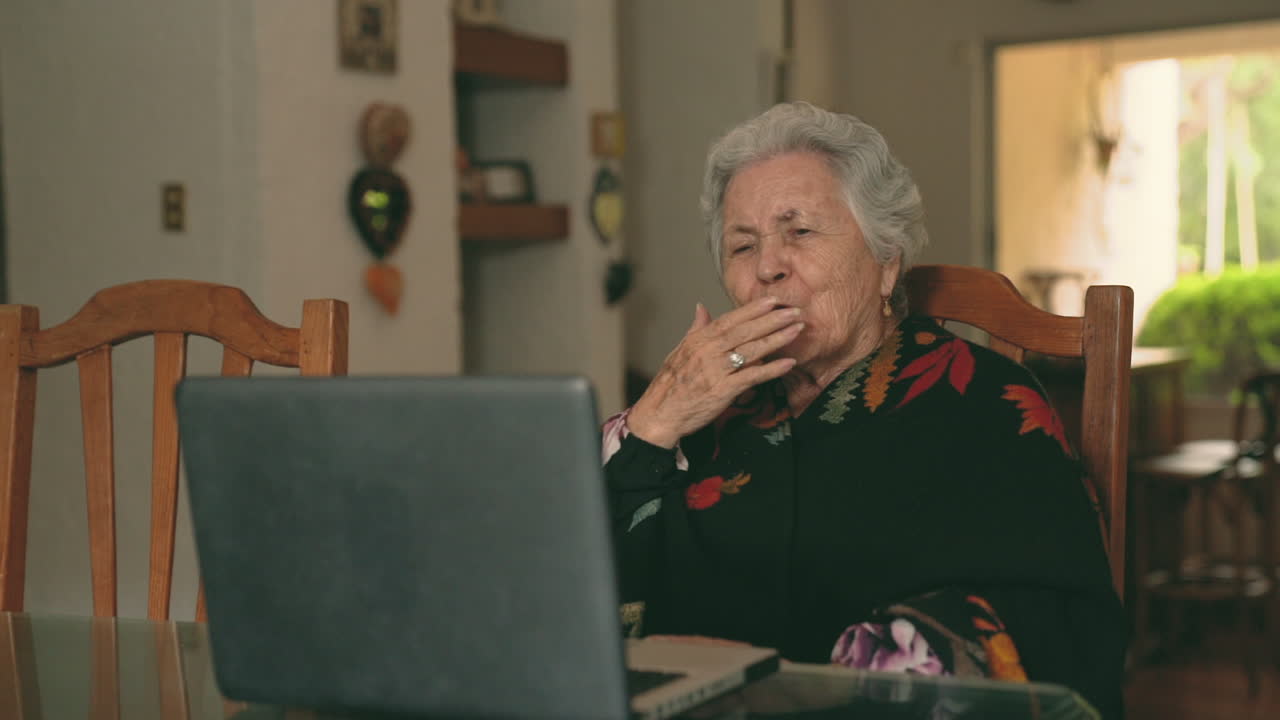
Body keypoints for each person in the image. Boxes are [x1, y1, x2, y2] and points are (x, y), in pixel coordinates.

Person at [602, 102, 1126, 717]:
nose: (768, 267)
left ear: (886, 263)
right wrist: (654, 425)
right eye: (742, 246)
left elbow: (1053, 625)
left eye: (799, 232)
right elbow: (591, 591)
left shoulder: (985, 404)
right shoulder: (701, 413)